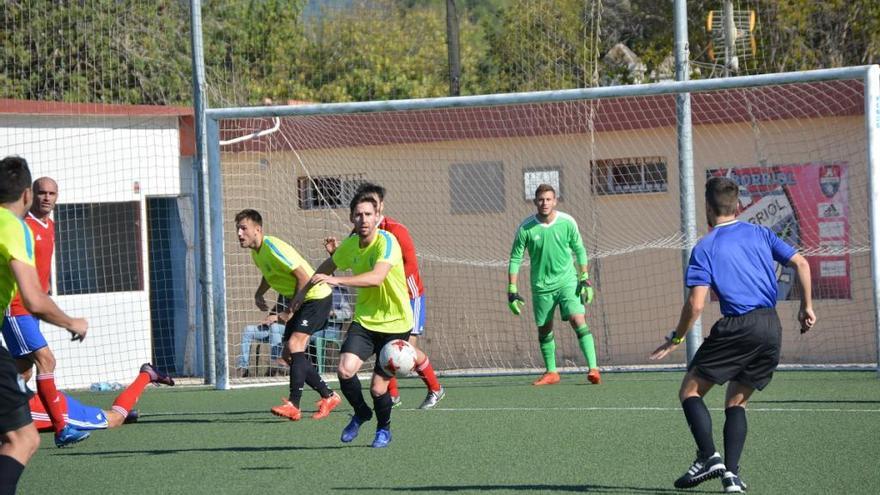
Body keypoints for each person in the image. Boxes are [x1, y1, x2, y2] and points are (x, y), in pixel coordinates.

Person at [649, 177, 816, 493]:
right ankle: (732, 477)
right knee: (736, 402)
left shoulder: (706, 246)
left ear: (708, 208)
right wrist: (806, 306)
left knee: (690, 391)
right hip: (770, 327)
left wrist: (677, 337)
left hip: (738, 326)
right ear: (738, 205)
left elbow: (696, 304)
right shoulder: (761, 233)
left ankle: (710, 457)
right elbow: (802, 263)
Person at [1, 157, 89, 493]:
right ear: (28, 194)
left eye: (53, 193)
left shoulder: (46, 227)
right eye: (41, 192)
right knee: (23, 438)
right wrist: (71, 322)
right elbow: (32, 296)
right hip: (19, 308)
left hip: (26, 307)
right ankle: (62, 426)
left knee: (20, 369)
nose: (46, 198)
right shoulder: (18, 227)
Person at [300, 192, 414, 448]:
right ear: (352, 218)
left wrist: (336, 280)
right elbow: (327, 266)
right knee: (344, 370)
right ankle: (361, 413)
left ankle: (384, 429)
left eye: (368, 214)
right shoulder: (351, 245)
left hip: (396, 323)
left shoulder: (388, 242)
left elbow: (376, 277)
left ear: (378, 217)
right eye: (358, 215)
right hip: (365, 321)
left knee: (377, 388)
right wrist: (301, 293)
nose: (363, 219)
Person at [324, 182, 444, 410]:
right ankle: (393, 395)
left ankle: (435, 388)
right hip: (377, 306)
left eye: (372, 210)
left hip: (409, 294)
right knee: (386, 352)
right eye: (360, 213)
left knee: (404, 349)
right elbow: (355, 261)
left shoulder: (397, 231)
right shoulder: (360, 232)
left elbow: (409, 265)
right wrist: (334, 255)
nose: (366, 217)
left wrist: (394, 287)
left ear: (380, 209)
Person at [235, 209, 341, 421]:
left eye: (243, 228)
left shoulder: (272, 246)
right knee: (288, 355)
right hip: (305, 300)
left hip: (316, 296)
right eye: (237, 229)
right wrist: (259, 293)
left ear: (258, 229)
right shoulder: (256, 253)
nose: (239, 233)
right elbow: (269, 274)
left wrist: (289, 311)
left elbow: (304, 277)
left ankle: (294, 404)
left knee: (295, 346)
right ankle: (328, 396)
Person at [507, 183, 600, 386]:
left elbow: (580, 250)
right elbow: (515, 258)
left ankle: (593, 369)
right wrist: (512, 290)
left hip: (568, 281)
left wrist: (585, 278)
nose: (545, 203)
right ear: (535, 202)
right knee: (544, 329)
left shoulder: (567, 222)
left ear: (555, 201)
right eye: (541, 199)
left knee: (578, 320)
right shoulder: (526, 228)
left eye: (548, 199)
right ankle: (551, 372)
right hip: (542, 287)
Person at [29, 363, 174, 432]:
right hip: (36, 403)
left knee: (115, 418)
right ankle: (122, 412)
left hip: (45, 407)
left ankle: (147, 375)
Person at [236, 295, 287, 378]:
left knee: (275, 327)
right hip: (271, 328)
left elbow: (296, 316)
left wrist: (276, 318)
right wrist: (266, 320)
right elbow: (275, 312)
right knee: (248, 330)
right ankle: (243, 366)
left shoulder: (297, 295)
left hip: (289, 330)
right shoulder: (282, 295)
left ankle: (276, 364)